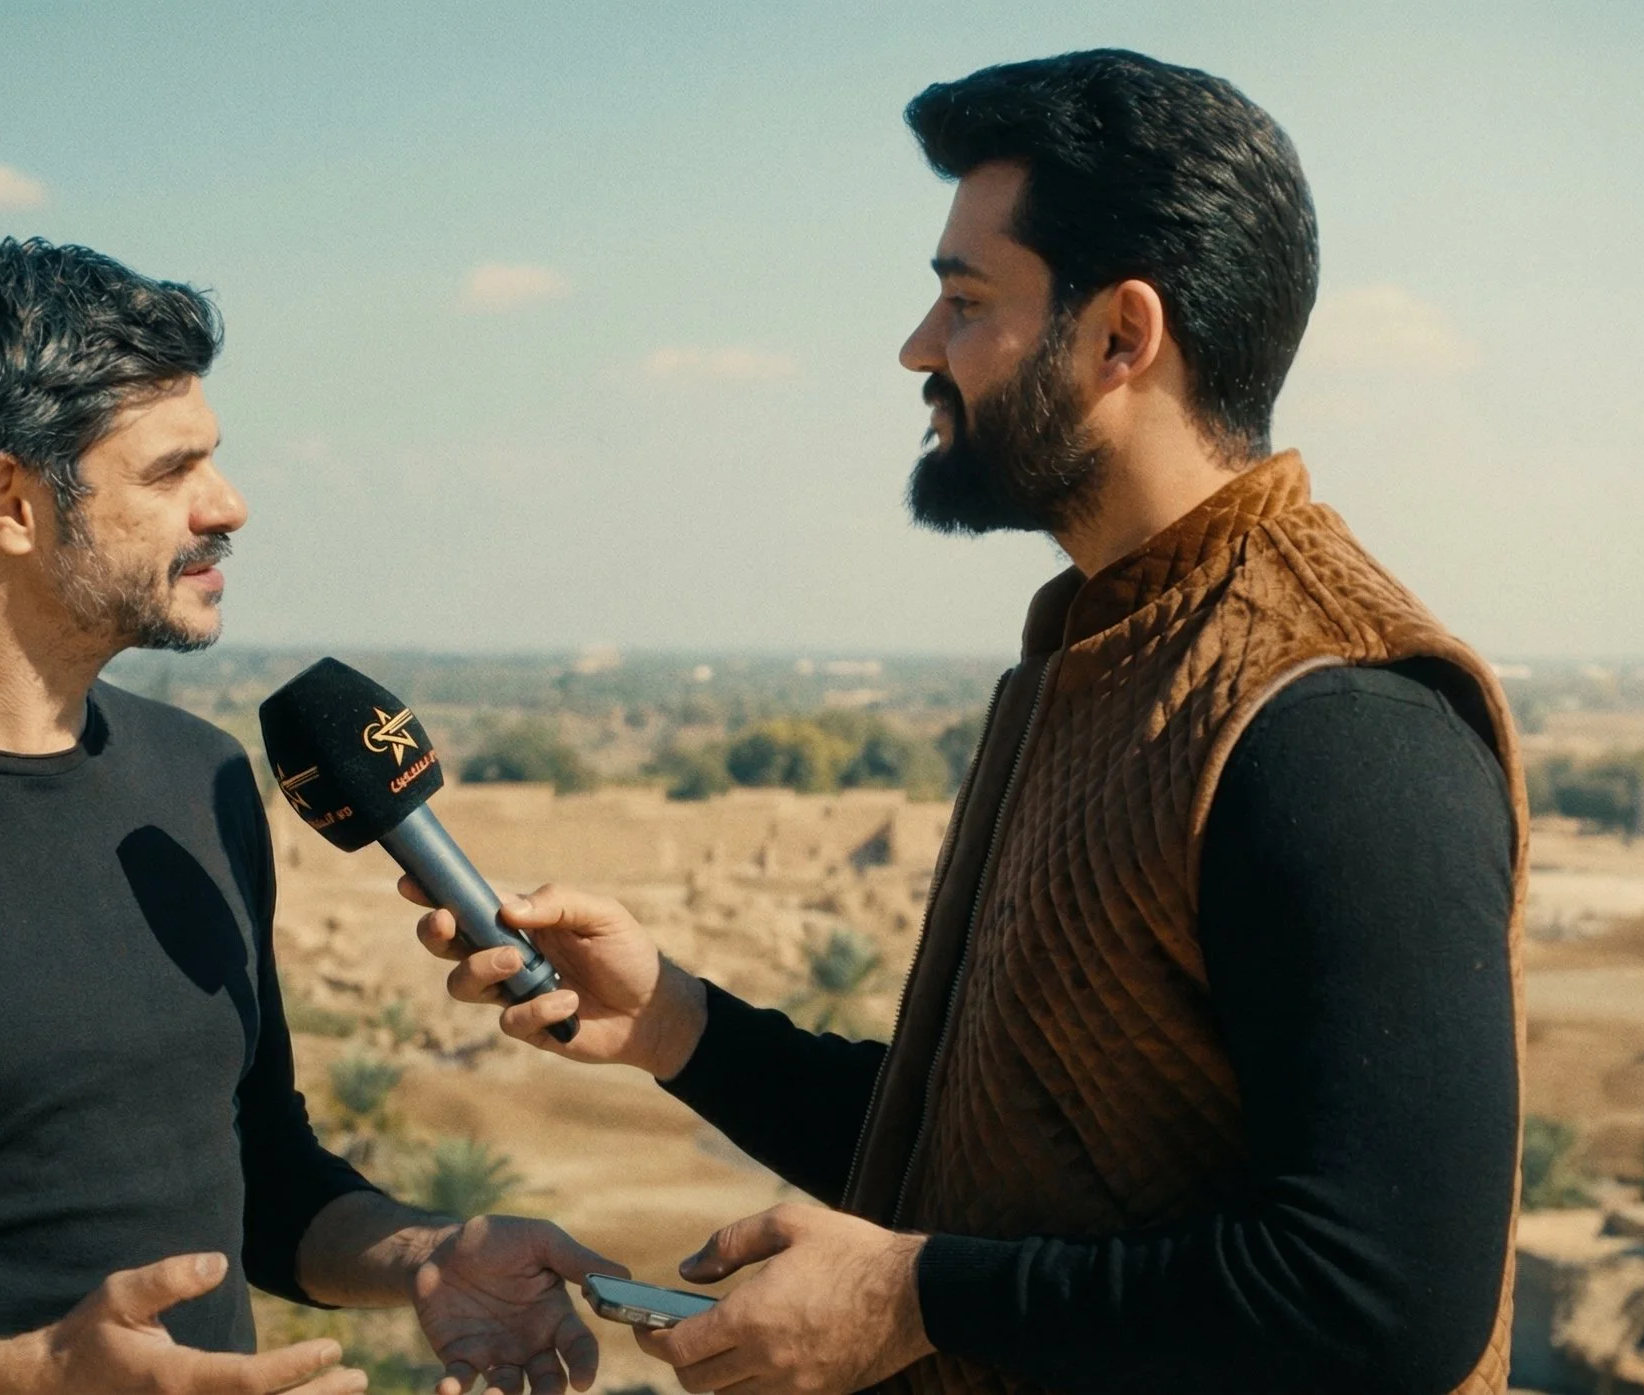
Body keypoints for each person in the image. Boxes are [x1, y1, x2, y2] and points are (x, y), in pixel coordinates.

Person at [410, 50, 1524, 1395]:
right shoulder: (1105, 645)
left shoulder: (1331, 719)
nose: (920, 348)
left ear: (1122, 335)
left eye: (964, 300)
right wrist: (676, 1024)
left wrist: (916, 1292)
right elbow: (1006, 1145)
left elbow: (1384, 1298)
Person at [0, 239, 620, 1395]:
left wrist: (427, 1257)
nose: (228, 504)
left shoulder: (198, 780)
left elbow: (258, 1167)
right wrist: (31, 1380)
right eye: (169, 471)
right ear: (9, 502)